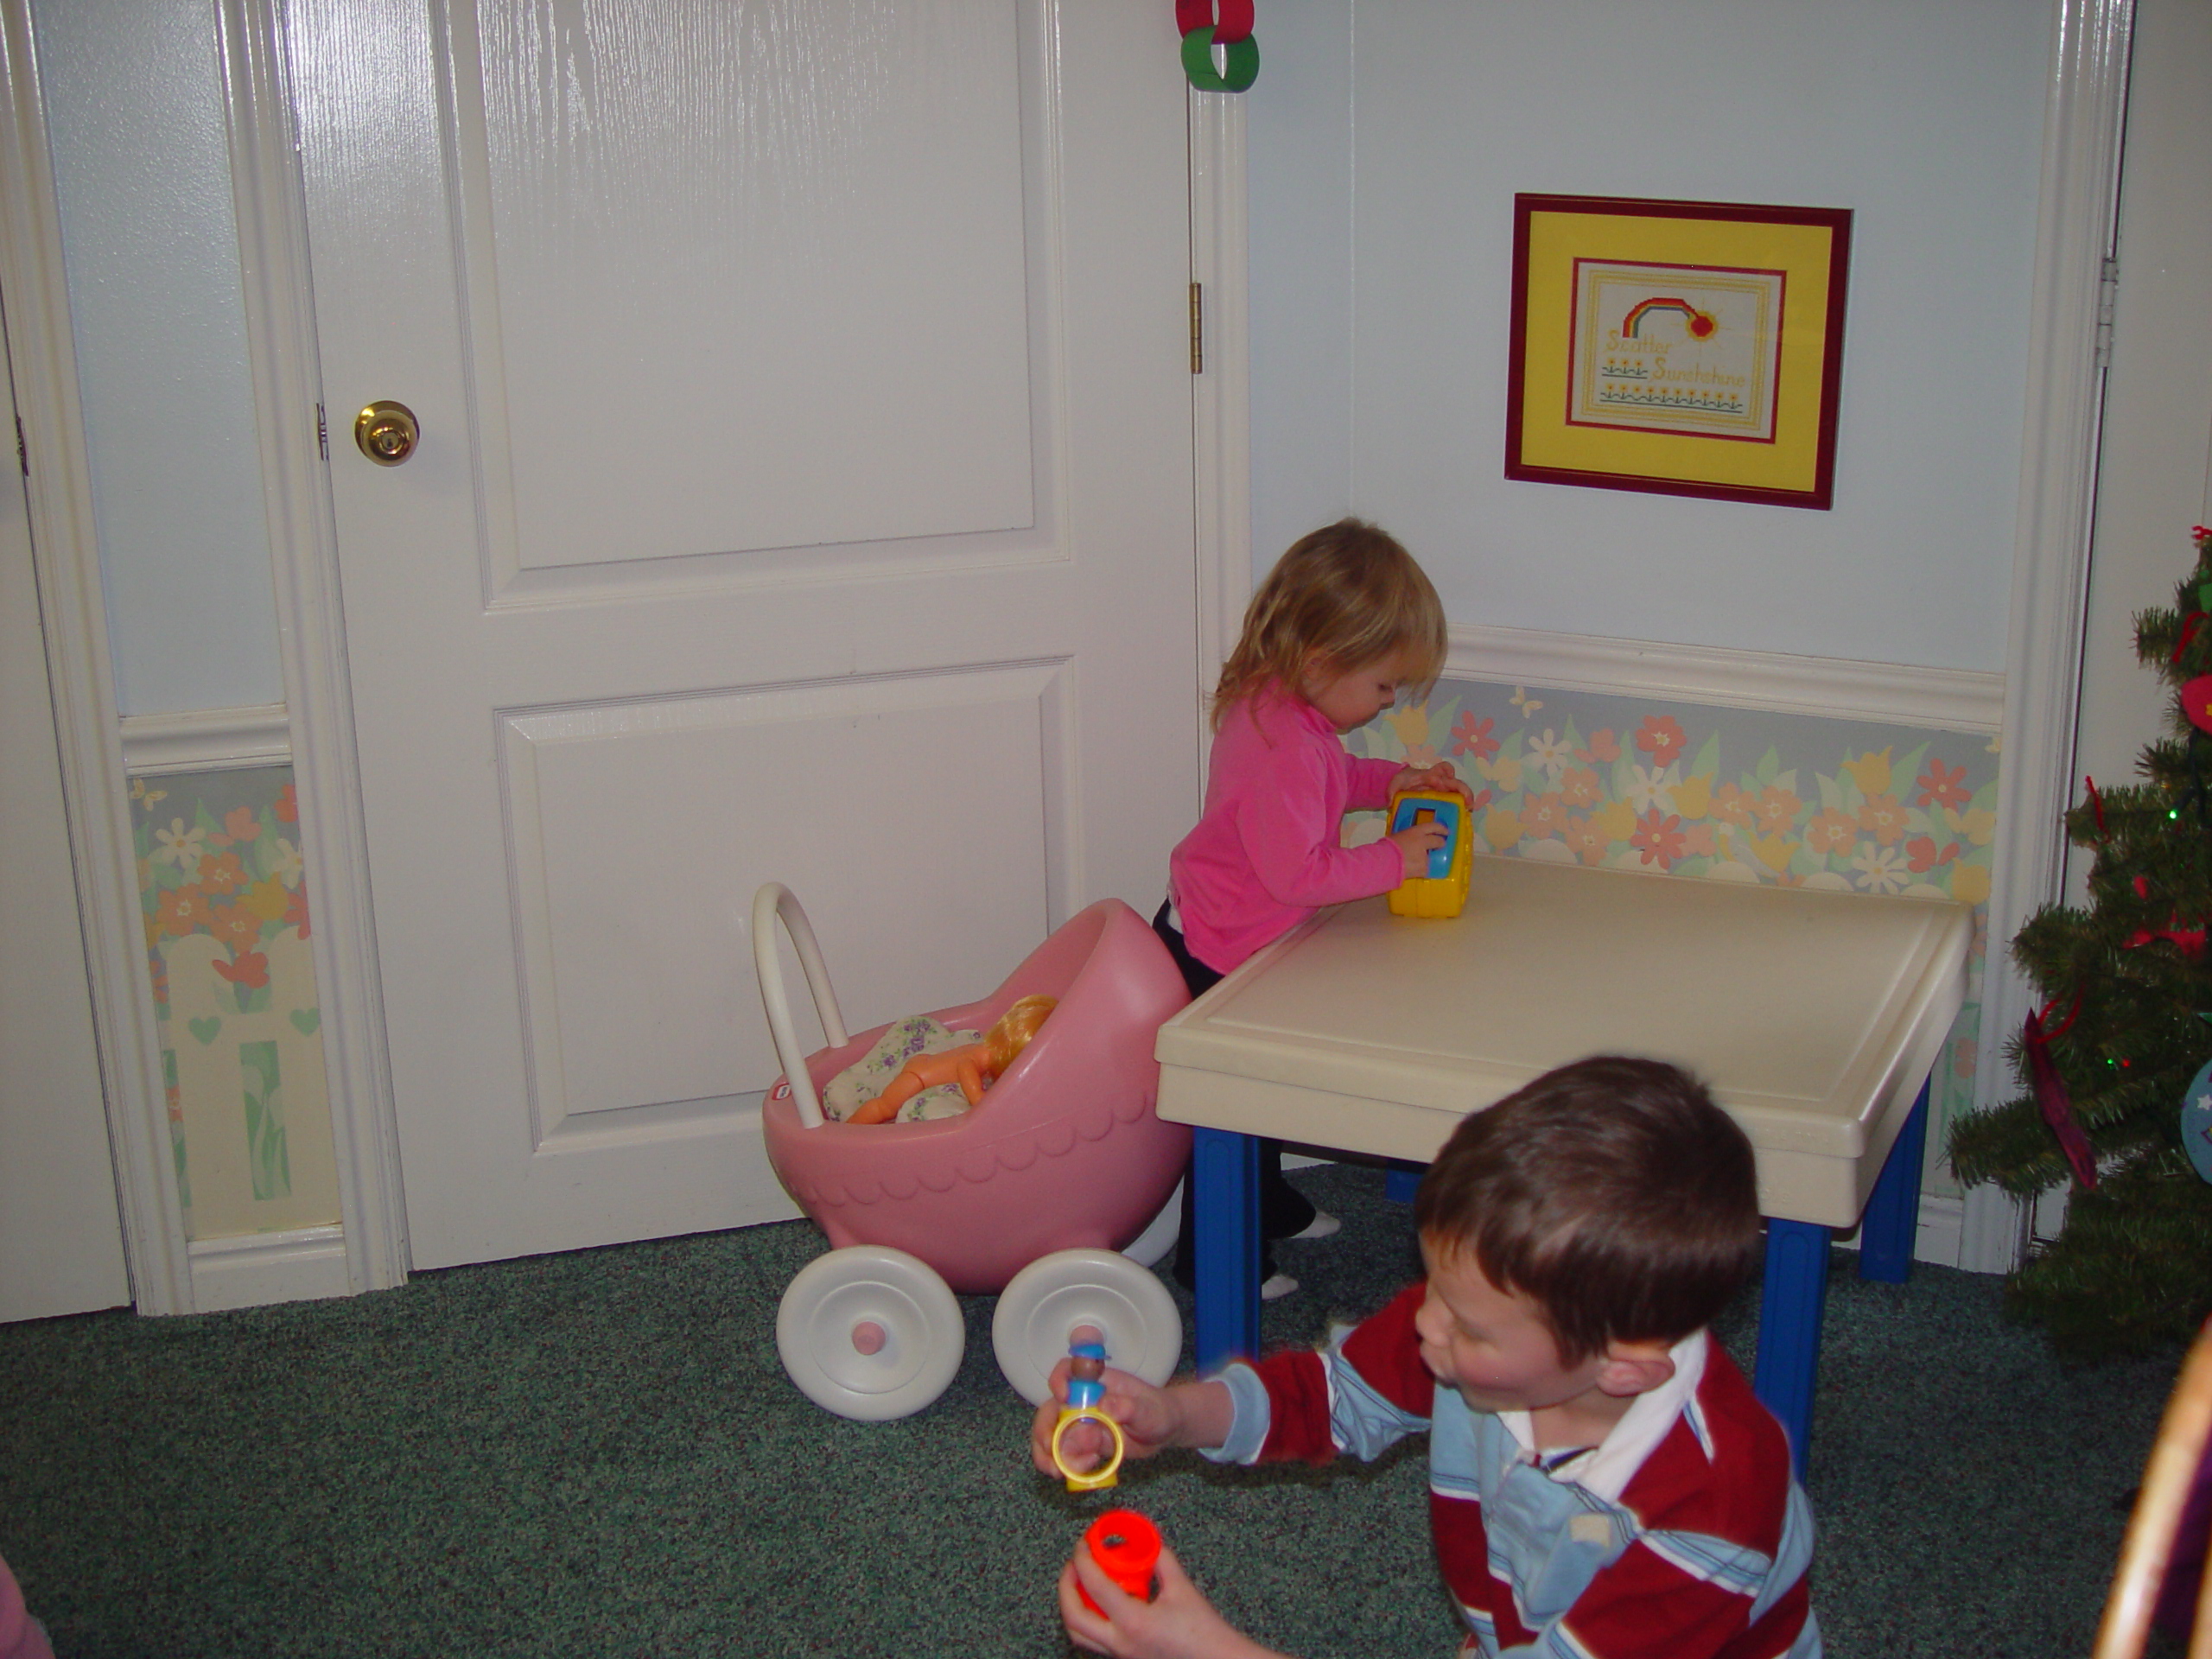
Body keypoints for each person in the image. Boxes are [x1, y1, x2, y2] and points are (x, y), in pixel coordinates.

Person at [1033, 1056, 1821, 1659]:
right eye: (1431, 1285)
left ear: (1623, 1367)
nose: (1428, 1327)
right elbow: (1330, 1396)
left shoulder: (1713, 1509)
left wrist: (1209, 1648)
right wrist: (1172, 1416)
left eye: (1469, 1326)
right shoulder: (1471, 1324)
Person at [1158, 518, 1467, 1300]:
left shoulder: (1286, 710)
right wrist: (1397, 859)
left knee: (1256, 1097)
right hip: (1222, 948)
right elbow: (1300, 871)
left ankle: (1273, 1203)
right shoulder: (1289, 741)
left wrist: (1392, 781)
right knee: (1229, 1108)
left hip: (1232, 925)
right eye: (1384, 685)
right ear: (1325, 660)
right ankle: (1213, 1260)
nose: (1388, 700)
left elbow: (1332, 780)